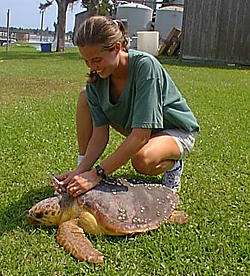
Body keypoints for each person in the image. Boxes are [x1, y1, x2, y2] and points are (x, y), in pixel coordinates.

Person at [52, 15, 199, 197]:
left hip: (175, 130)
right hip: (141, 131)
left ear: (117, 48)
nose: (92, 67)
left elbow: (140, 136)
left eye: (97, 60)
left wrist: (97, 174)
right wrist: (81, 171)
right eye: (87, 61)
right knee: (85, 95)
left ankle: (174, 165)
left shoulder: (145, 66)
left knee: (142, 159)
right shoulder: (97, 82)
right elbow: (99, 137)